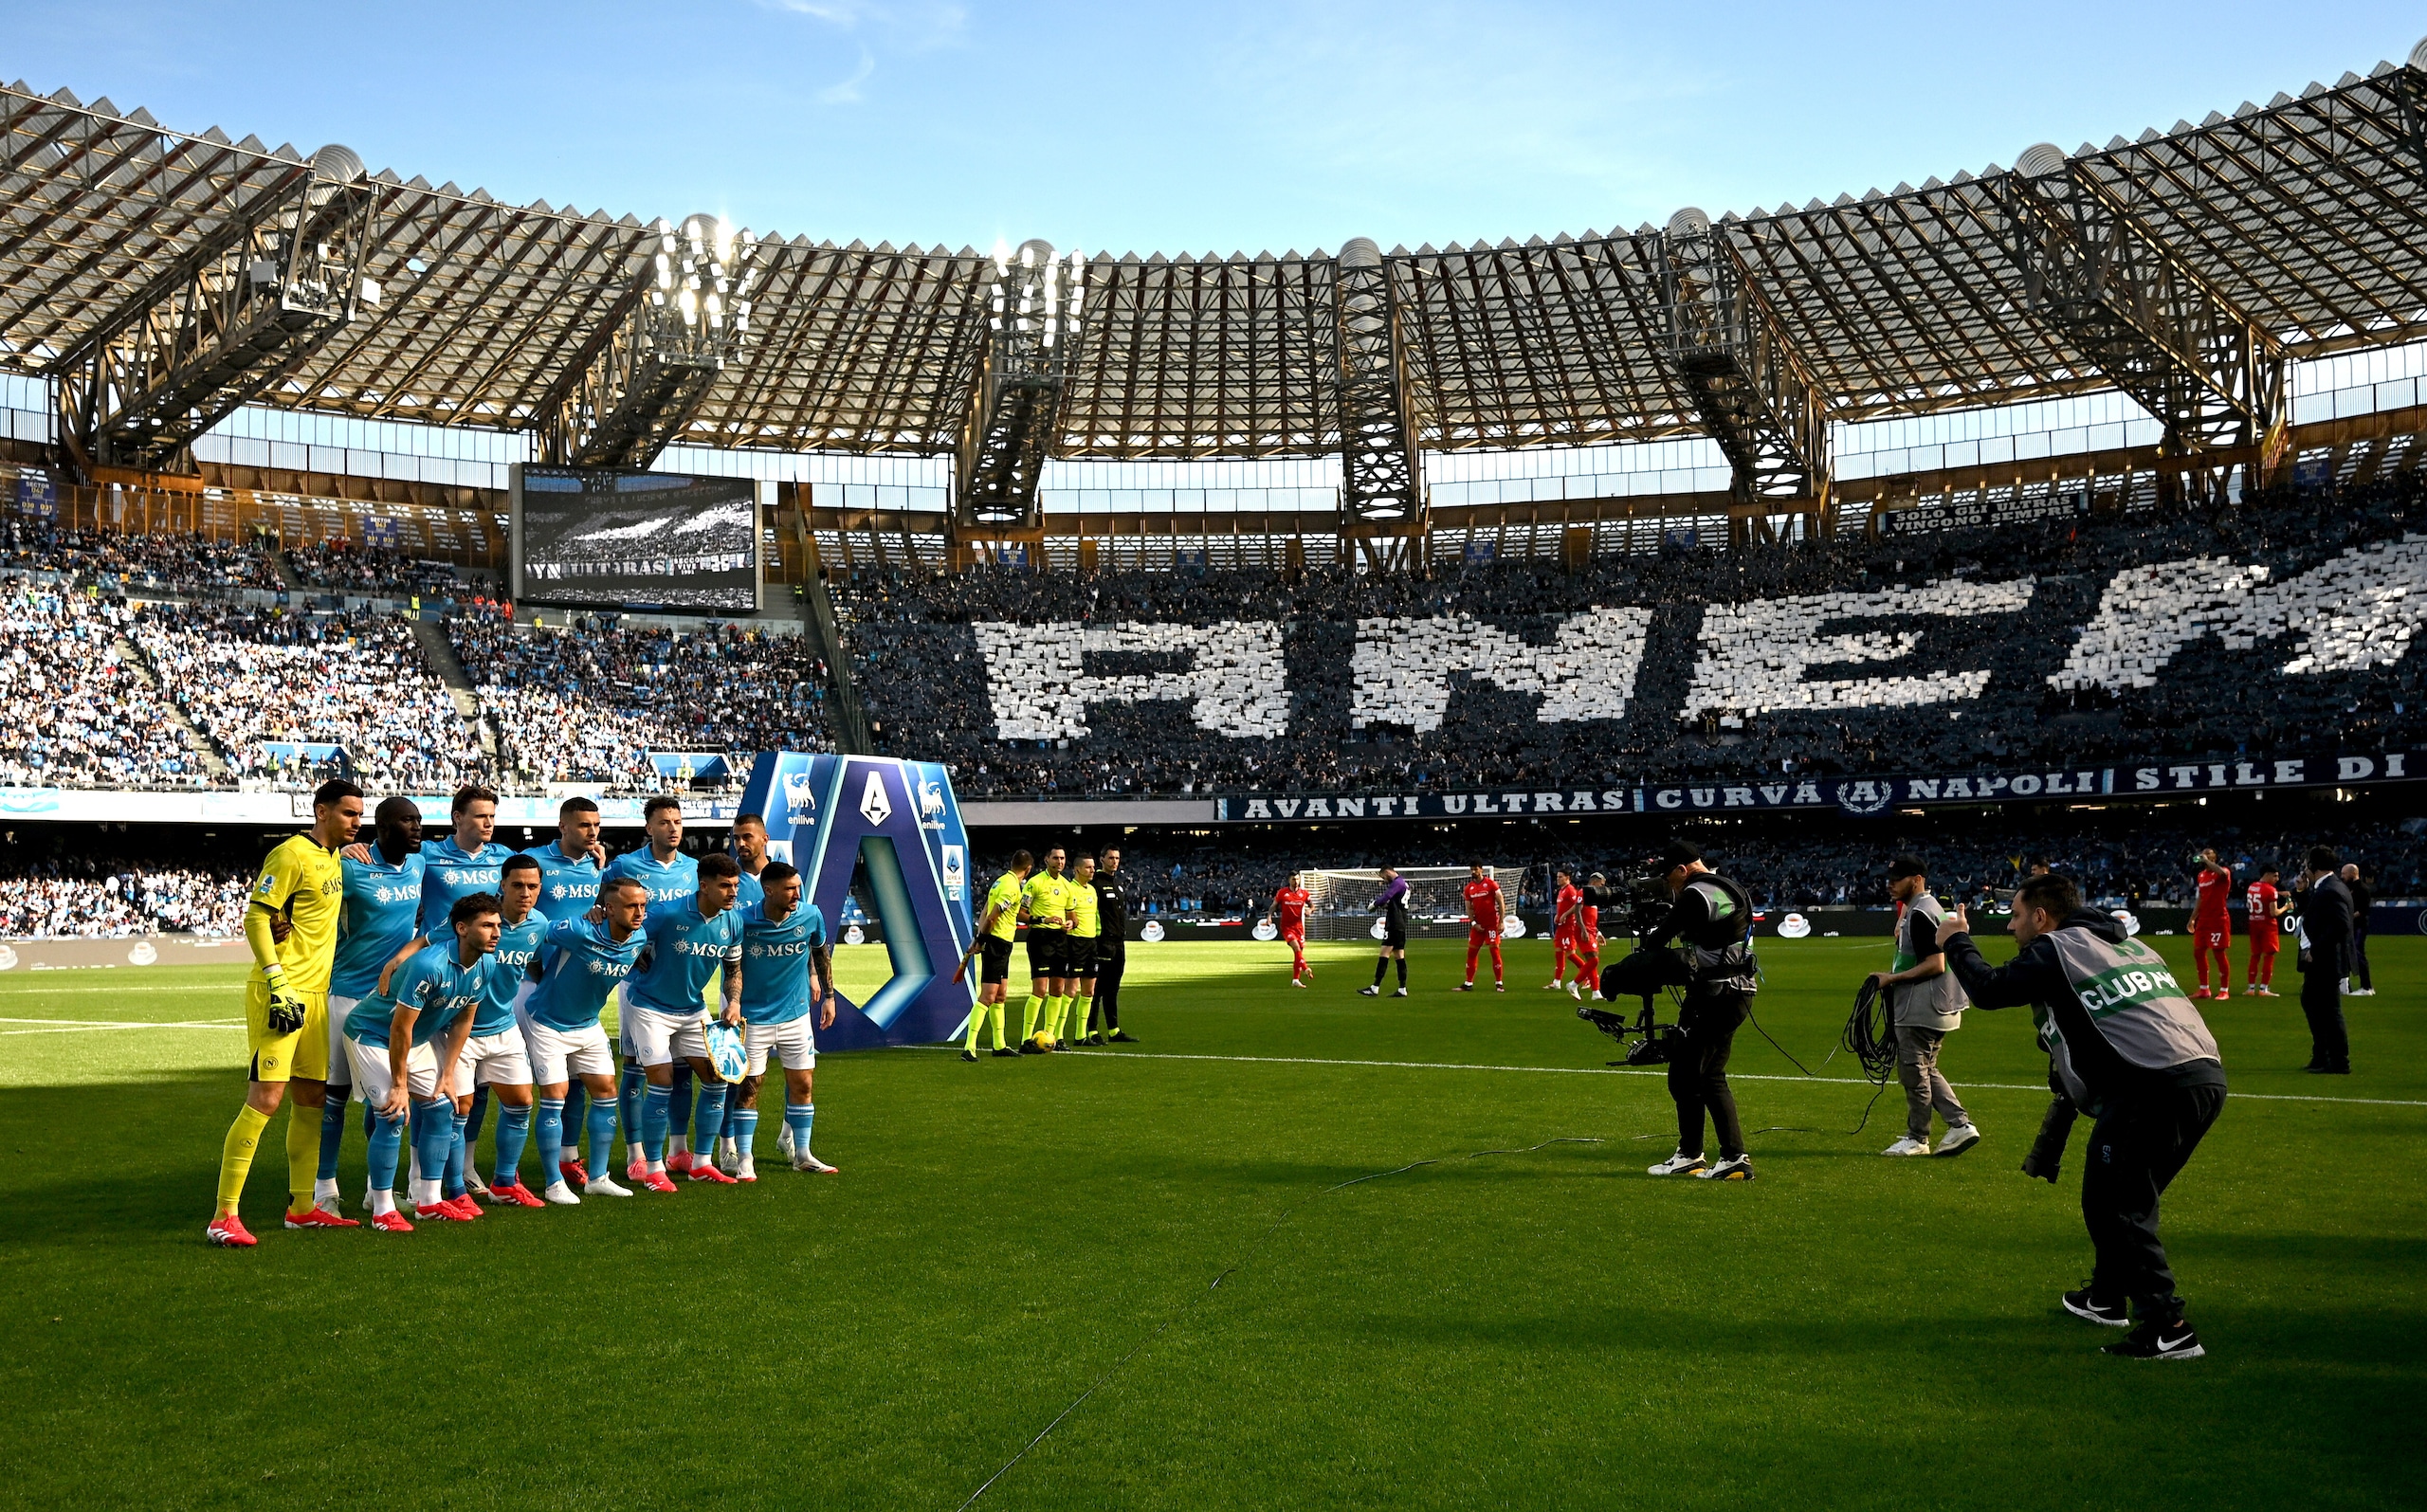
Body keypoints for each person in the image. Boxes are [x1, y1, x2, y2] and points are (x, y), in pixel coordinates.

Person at [1935, 873, 2226, 1360]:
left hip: (2150, 1085)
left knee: (2118, 1206)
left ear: (2041, 917)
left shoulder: (2056, 948)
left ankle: (2168, 1328)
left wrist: (1955, 940)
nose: (2011, 926)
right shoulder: (2129, 946)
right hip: (2203, 1076)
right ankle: (2107, 1297)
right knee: (2117, 1198)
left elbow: (1988, 989)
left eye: (2016, 916)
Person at [210, 777, 364, 1248]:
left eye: (360, 815)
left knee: (312, 1098)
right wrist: (277, 980)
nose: (357, 822)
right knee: (266, 1099)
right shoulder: (290, 854)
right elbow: (257, 915)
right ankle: (224, 1216)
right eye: (349, 813)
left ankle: (301, 1208)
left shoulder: (334, 856)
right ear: (321, 811)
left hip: (317, 995)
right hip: (282, 991)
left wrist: (348, 850)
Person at [377, 855, 548, 1208]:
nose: (525, 893)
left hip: (503, 1025)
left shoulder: (540, 925)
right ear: (503, 884)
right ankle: (454, 1190)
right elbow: (426, 941)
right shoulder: (477, 920)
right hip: (458, 1028)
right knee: (457, 1107)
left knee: (521, 1101)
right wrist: (396, 960)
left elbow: (531, 964)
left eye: (532, 886)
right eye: (517, 885)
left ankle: (504, 1182)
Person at [1603, 842, 1761, 1181]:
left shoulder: (1695, 893)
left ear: (1682, 869)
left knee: (1686, 1076)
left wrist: (1623, 971)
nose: (1669, 885)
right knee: (1709, 1075)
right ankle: (1725, 1156)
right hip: (1738, 991)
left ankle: (1702, 1155)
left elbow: (1658, 941)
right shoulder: (1728, 886)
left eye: (1669, 878)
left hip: (1715, 993)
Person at [342, 893, 498, 1230]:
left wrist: (447, 1073)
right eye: (487, 925)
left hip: (415, 1040)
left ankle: (429, 1201)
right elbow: (400, 1027)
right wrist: (400, 1085)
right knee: (393, 1113)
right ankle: (382, 1209)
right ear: (461, 929)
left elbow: (464, 1019)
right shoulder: (429, 965)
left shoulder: (486, 964)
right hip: (371, 1034)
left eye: (497, 925)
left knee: (442, 1109)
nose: (496, 932)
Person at [316, 795, 425, 1216]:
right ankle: (323, 1189)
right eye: (406, 820)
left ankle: (373, 1189)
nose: (416, 827)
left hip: (389, 1000)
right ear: (381, 828)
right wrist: (338, 851)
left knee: (382, 1098)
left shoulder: (419, 863)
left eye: (418, 820)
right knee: (334, 1096)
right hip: (346, 993)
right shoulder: (350, 865)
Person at [521, 875, 650, 1203]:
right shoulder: (579, 930)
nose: (639, 913)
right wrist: (537, 974)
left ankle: (598, 1178)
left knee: (606, 1092)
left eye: (642, 906)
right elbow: (534, 933)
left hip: (588, 1025)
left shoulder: (639, 938)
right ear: (609, 908)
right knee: (555, 1097)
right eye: (631, 906)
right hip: (548, 1022)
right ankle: (553, 1184)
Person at [623, 852, 748, 1189]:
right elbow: (625, 939)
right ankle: (653, 1169)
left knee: (717, 1077)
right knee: (661, 1081)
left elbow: (733, 970)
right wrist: (637, 963)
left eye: (735, 885)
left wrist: (734, 1002)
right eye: (725, 886)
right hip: (650, 1008)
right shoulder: (667, 913)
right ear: (704, 886)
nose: (733, 892)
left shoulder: (733, 922)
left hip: (693, 1010)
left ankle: (701, 1163)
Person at [604, 796, 700, 1172]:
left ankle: (679, 1149)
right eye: (664, 822)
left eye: (677, 821)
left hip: (681, 983)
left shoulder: (693, 870)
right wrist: (627, 949)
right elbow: (601, 908)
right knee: (636, 1066)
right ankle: (636, 1154)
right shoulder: (624, 866)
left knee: (682, 1068)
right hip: (638, 983)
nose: (672, 828)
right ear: (649, 828)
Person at [1867, 856, 1978, 1157]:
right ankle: (1959, 1125)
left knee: (1914, 1073)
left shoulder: (1920, 913)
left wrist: (1891, 978)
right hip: (1938, 1003)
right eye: (1889, 878)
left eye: (1898, 879)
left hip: (1922, 1006)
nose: (1890, 884)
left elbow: (1935, 963)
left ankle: (1918, 1138)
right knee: (1926, 1069)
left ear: (1917, 880)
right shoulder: (1926, 908)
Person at [732, 862, 837, 1177]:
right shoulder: (743, 920)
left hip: (796, 1015)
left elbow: (820, 953)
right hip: (754, 1018)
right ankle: (745, 1158)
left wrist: (829, 997)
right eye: (790, 889)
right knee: (750, 1088)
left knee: (802, 1084)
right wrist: (733, 1002)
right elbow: (730, 965)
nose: (797, 894)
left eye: (798, 887)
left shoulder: (810, 915)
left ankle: (802, 1154)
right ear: (768, 890)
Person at [523, 796, 605, 1187]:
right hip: (530, 978)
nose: (593, 832)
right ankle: (505, 1166)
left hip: (574, 981)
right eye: (585, 825)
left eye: (597, 825)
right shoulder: (535, 860)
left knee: (574, 1078)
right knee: (512, 1079)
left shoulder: (597, 865)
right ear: (563, 826)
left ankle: (568, 1156)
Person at [952, 850, 1030, 1060]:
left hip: (1001, 944)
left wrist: (978, 937)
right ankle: (969, 1047)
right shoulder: (1011, 887)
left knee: (1000, 995)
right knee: (987, 996)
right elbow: (992, 917)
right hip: (996, 943)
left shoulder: (1000, 882)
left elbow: (985, 912)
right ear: (1028, 869)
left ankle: (999, 1045)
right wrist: (981, 941)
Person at [2294, 848, 2353, 1074]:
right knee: (2312, 1002)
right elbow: (2313, 916)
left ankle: (2338, 1060)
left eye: (2306, 864)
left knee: (2328, 1010)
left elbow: (2340, 925)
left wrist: (2316, 949)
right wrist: (2301, 893)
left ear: (2313, 866)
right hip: (2323, 959)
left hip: (2326, 960)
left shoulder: (2330, 890)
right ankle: (2322, 1055)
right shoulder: (2328, 887)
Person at [1019, 846, 1071, 1051]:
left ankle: (1051, 1038)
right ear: (1046, 859)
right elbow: (1021, 914)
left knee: (1058, 990)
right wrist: (1044, 919)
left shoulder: (1066, 885)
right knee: (1040, 990)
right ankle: (1026, 1039)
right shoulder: (1034, 883)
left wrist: (1071, 924)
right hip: (1040, 938)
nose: (1060, 862)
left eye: (1062, 858)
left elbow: (1072, 916)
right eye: (1056, 858)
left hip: (1060, 939)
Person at [1090, 847, 1136, 1044]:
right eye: (1110, 858)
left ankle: (1114, 1030)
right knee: (1096, 989)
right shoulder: (1095, 884)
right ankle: (1091, 1030)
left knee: (1113, 988)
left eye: (1117, 858)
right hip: (1103, 942)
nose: (1114, 861)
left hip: (1118, 943)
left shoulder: (1117, 884)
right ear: (1101, 859)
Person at [1059, 856, 1103, 1047]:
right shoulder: (1069, 889)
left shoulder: (1092, 890)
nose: (1092, 870)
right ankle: (1058, 1035)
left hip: (1091, 943)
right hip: (1074, 942)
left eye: (1093, 867)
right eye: (1088, 867)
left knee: (1089, 991)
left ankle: (1080, 1035)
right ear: (1077, 869)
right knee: (1070, 990)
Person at [1358, 865, 1409, 998]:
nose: (1384, 880)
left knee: (1384, 954)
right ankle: (1402, 988)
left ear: (1387, 872)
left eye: (1384, 877)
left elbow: (1386, 896)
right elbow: (1395, 903)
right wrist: (1385, 906)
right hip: (1401, 923)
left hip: (1394, 923)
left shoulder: (1397, 883)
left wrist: (1374, 904)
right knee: (1399, 955)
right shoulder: (1403, 883)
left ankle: (1375, 988)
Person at [2188, 848, 2233, 1000]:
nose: (2204, 856)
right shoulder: (2201, 875)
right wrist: (2193, 918)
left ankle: (2224, 990)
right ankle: (2204, 989)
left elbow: (2223, 874)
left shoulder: (2222, 872)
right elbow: (2201, 897)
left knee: (2218, 953)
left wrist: (2206, 860)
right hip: (2204, 919)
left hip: (2218, 918)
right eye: (2203, 854)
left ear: (2214, 857)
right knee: (2198, 952)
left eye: (2208, 854)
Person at [1458, 863, 1505, 993]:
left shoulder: (1491, 884)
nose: (1473, 871)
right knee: (1471, 952)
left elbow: (1501, 902)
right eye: (1472, 869)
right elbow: (1468, 908)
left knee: (1494, 952)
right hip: (1478, 926)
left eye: (1476, 869)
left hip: (1492, 925)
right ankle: (1468, 983)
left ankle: (1499, 983)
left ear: (1481, 870)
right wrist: (1474, 923)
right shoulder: (1469, 888)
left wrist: (1501, 922)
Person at [2244, 865, 2285, 998]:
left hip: (2253, 922)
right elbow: (2274, 913)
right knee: (2269, 955)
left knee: (2255, 955)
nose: (2277, 879)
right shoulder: (2271, 890)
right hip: (2267, 925)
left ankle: (2250, 988)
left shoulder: (2252, 887)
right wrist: (2286, 907)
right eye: (2275, 876)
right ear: (2267, 874)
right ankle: (2263, 988)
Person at [1271, 872, 1313, 987]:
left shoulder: (1304, 893)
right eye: (1294, 879)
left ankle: (1295, 980)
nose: (1296, 881)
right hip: (1287, 927)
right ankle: (1305, 968)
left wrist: (1310, 910)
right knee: (1296, 947)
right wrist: (1269, 916)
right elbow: (1274, 905)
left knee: (1298, 954)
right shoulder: (1282, 892)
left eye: (1297, 879)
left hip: (1299, 928)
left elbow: (1312, 905)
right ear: (1289, 880)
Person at [1572, 873, 1609, 1001]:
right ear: (1594, 881)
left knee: (1591, 961)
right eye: (1601, 884)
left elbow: (1590, 918)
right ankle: (1573, 984)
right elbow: (1577, 911)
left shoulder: (1594, 895)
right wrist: (1583, 929)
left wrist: (1598, 933)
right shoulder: (1583, 892)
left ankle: (1596, 992)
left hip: (1591, 930)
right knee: (1594, 960)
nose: (1602, 887)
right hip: (1584, 931)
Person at [2340, 863, 2375, 996]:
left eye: (2344, 874)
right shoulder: (2348, 888)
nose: (2342, 876)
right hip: (2351, 927)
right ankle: (2345, 985)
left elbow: (2363, 910)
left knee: (2358, 954)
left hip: (2359, 927)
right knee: (2348, 955)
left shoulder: (2362, 889)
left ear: (2352, 873)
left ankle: (2366, 987)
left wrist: (2347, 917)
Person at [1545, 869, 1583, 992]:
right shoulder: (1562, 891)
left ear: (1567, 878)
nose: (1558, 879)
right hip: (1561, 926)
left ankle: (1587, 975)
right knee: (1558, 951)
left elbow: (1576, 905)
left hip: (1569, 926)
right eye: (1557, 877)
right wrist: (1558, 915)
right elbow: (1563, 906)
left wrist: (1565, 915)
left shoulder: (1571, 890)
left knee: (1570, 954)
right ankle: (1556, 982)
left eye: (1560, 877)